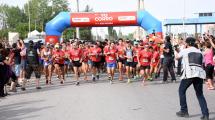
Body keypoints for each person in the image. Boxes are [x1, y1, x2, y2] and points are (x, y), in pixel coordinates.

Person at [175, 37, 209, 120]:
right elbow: (203, 62)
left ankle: (184, 111)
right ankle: (205, 114)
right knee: (200, 94)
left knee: (181, 91)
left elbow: (177, 57)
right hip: (199, 74)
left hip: (189, 74)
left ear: (187, 43)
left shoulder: (185, 50)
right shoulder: (199, 52)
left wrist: (176, 50)